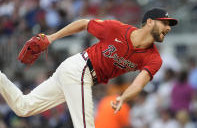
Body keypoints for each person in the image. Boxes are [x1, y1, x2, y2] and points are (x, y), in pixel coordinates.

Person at [0, 8, 178, 128]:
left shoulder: (154, 58)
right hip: (80, 69)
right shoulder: (117, 29)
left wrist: (123, 97)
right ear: (149, 22)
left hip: (79, 75)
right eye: (165, 23)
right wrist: (51, 38)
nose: (168, 28)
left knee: (23, 107)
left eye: (169, 25)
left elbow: (138, 84)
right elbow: (84, 23)